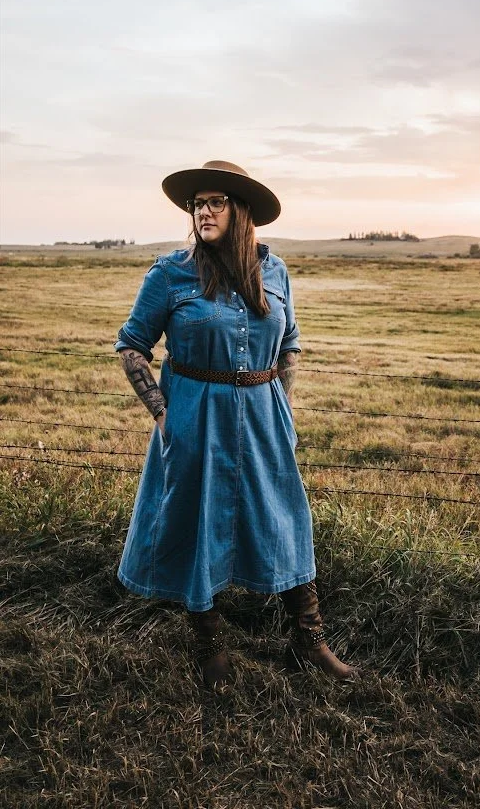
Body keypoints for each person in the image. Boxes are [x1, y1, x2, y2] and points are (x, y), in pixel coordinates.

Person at [115, 160, 357, 688]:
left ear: (240, 211)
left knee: (285, 520)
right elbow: (132, 346)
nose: (202, 210)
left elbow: (289, 344)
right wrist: (161, 412)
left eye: (215, 201)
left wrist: (283, 410)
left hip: (264, 414)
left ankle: (309, 641)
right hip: (196, 417)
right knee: (197, 521)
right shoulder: (170, 274)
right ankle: (210, 647)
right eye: (196, 203)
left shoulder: (275, 272)